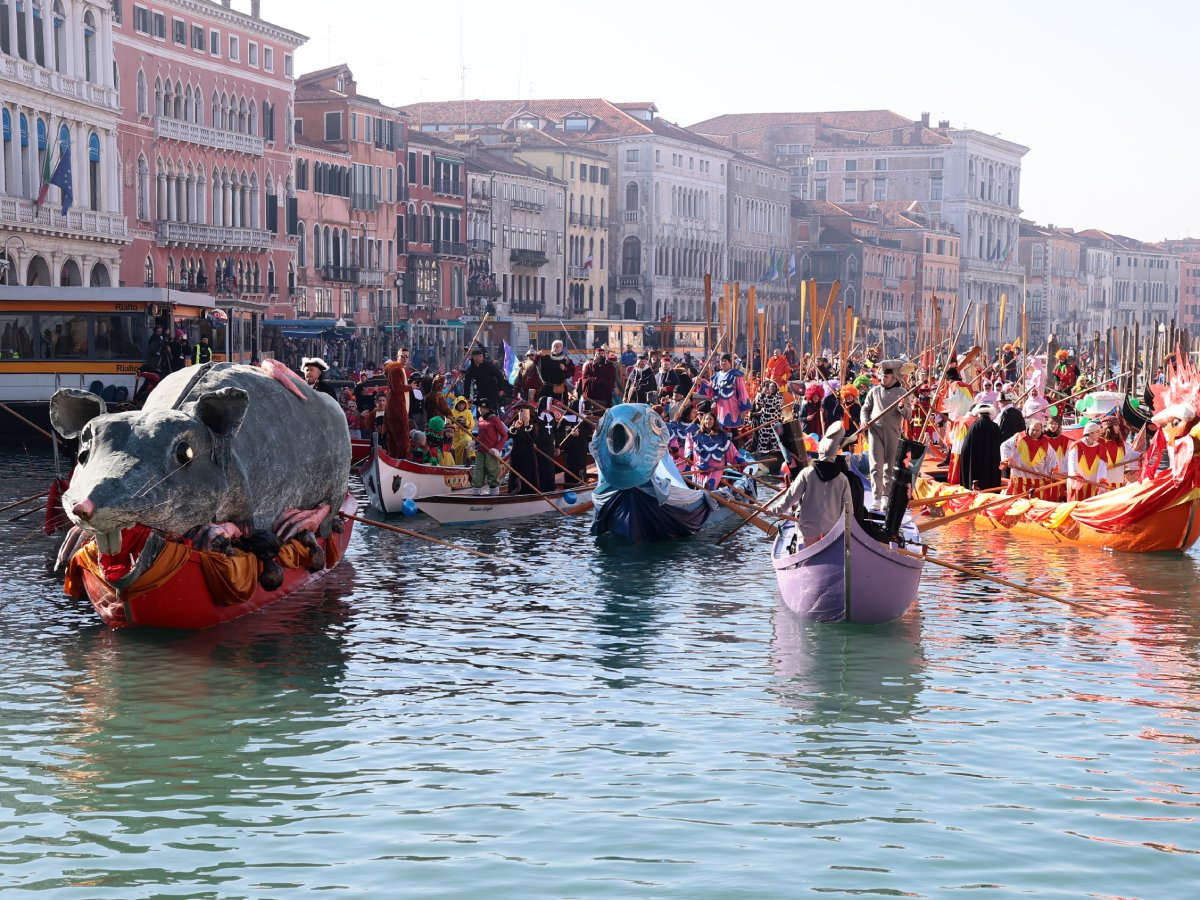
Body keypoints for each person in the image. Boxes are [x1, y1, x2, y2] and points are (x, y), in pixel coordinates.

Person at [771, 422, 853, 546]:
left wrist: (773, 510)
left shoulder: (807, 473)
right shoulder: (842, 479)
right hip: (831, 531)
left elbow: (790, 498)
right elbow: (848, 509)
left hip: (809, 530)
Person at [859, 359, 911, 509]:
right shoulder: (874, 391)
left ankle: (886, 496)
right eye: (881, 376)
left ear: (894, 377)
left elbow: (908, 414)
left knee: (890, 466)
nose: (883, 379)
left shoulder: (901, 392)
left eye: (886, 376)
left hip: (893, 433)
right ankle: (876, 497)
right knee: (876, 465)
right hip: (875, 432)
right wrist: (864, 420)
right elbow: (865, 409)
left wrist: (902, 406)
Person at [685, 410, 740, 491]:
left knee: (710, 485)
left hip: (716, 469)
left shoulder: (722, 436)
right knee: (701, 487)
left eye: (710, 419)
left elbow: (731, 450)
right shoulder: (698, 435)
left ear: (714, 421)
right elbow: (695, 453)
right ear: (703, 421)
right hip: (702, 469)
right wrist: (692, 457)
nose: (708, 421)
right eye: (706, 419)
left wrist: (739, 459)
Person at [1000, 419, 1054, 497]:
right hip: (1019, 477)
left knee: (1036, 502)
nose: (1035, 432)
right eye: (1033, 430)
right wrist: (1008, 459)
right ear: (1028, 428)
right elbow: (1005, 446)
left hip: (1038, 478)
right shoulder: (1019, 437)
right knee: (1017, 501)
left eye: (1037, 430)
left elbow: (1052, 457)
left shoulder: (1045, 441)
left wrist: (1053, 471)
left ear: (1041, 431)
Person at [957, 402, 1003, 490]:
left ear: (978, 414)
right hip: (991, 464)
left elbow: (966, 448)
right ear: (990, 414)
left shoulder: (974, 426)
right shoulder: (995, 427)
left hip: (976, 464)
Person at [471, 397, 508, 495]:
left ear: (487, 409)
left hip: (491, 452)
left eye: (481, 407)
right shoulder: (480, 419)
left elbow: (505, 435)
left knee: (492, 472)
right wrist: (474, 442)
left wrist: (497, 449)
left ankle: (494, 494)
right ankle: (476, 493)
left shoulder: (495, 419)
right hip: (480, 451)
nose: (479, 409)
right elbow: (480, 436)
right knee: (478, 471)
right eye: (479, 407)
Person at [1067, 421, 1109, 501]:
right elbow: (1072, 463)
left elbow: (1102, 466)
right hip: (1078, 483)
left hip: (1092, 483)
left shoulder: (1101, 448)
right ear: (1090, 433)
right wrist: (1076, 475)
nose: (1099, 435)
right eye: (1097, 432)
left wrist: (1102, 479)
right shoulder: (1076, 446)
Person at [384, 347, 414, 460]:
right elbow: (397, 388)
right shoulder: (397, 369)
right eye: (403, 356)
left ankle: (393, 460)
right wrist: (411, 387)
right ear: (397, 356)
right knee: (403, 439)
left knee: (393, 440)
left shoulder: (398, 369)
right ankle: (405, 461)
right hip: (397, 410)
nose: (405, 359)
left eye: (407, 356)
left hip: (394, 410)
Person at [579, 342, 618, 413]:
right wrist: (595, 380)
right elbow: (585, 378)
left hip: (604, 394)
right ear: (595, 355)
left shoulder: (609, 366)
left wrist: (602, 381)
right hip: (591, 394)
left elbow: (611, 379)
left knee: (604, 412)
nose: (601, 356)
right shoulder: (589, 366)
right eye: (599, 354)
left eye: (602, 354)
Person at [750, 379, 785, 454]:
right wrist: (762, 394)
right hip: (764, 423)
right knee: (762, 442)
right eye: (770, 387)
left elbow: (776, 403)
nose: (772, 388)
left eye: (773, 387)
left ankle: (777, 456)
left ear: (776, 388)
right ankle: (760, 456)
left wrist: (768, 396)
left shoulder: (779, 398)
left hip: (774, 424)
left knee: (775, 442)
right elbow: (759, 402)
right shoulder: (764, 396)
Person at [449, 396, 475, 464]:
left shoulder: (469, 413)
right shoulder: (451, 413)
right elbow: (448, 426)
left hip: (466, 434)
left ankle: (472, 456)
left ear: (465, 404)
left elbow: (472, 425)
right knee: (458, 451)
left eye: (463, 404)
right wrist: (457, 425)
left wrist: (466, 422)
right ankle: (458, 465)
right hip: (455, 438)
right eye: (459, 404)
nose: (461, 406)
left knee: (468, 440)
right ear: (456, 404)